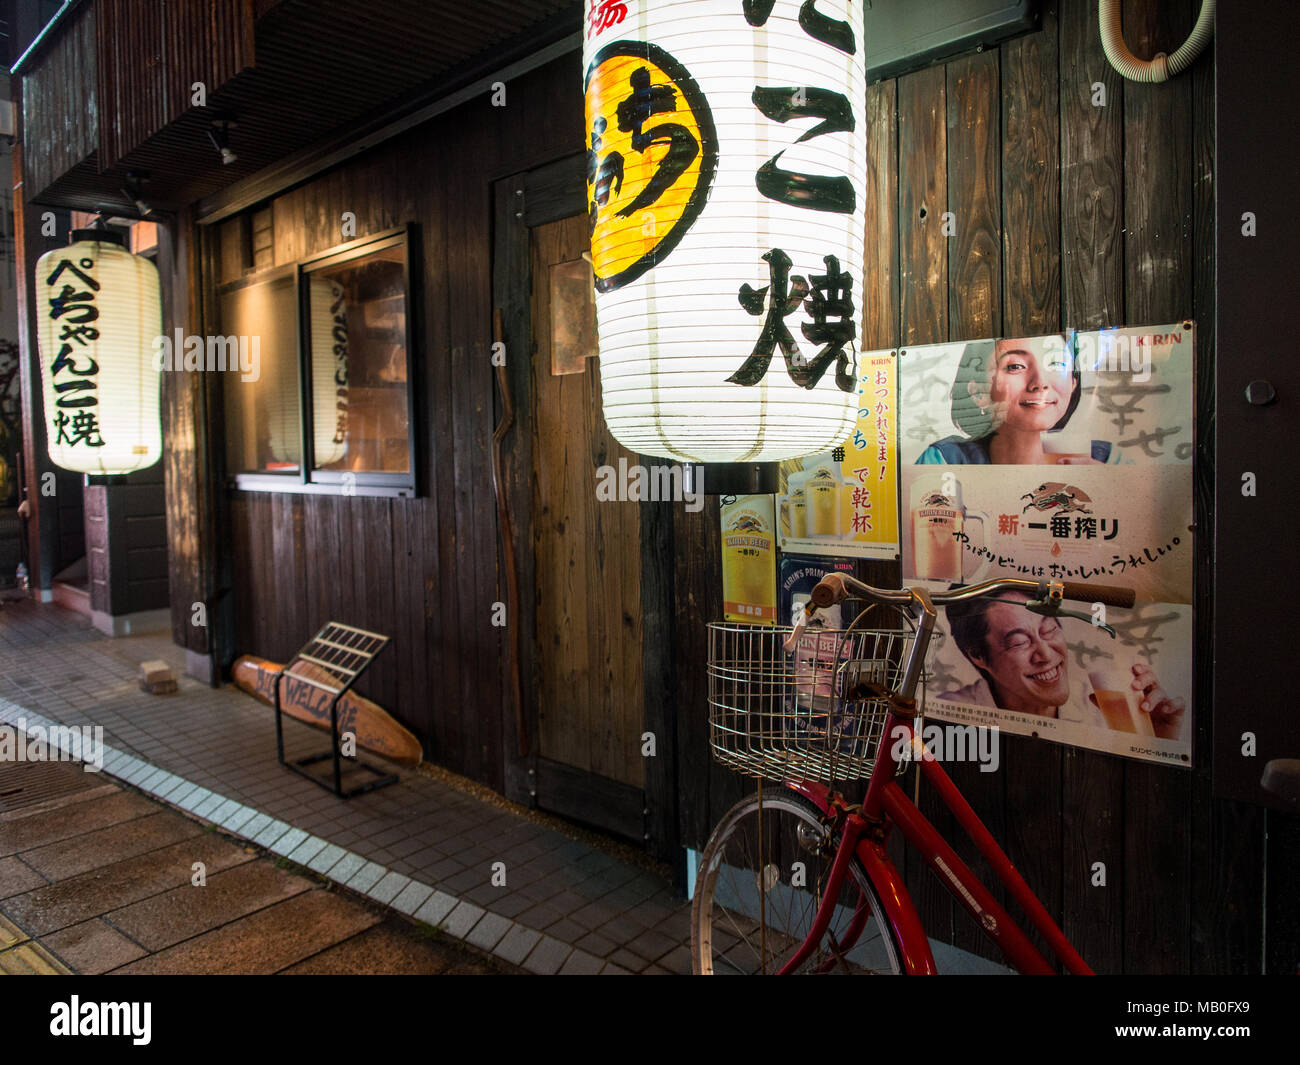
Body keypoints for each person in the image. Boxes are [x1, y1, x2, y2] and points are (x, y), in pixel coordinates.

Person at [937, 590, 1185, 739]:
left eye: (1049, 629)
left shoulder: (1100, 710)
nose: (1045, 654)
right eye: (1020, 642)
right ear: (979, 656)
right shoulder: (948, 714)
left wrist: (1157, 739)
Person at [916, 336, 1118, 465]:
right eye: (1015, 366)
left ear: (1073, 382)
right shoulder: (944, 461)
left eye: (1056, 363)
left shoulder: (1107, 460)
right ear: (978, 392)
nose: (1040, 383)